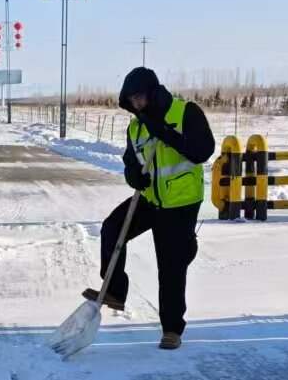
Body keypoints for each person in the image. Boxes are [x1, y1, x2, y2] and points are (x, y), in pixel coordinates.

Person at [86, 67, 215, 349]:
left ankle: (172, 329)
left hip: (180, 203)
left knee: (170, 266)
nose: (137, 104)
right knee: (112, 228)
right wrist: (133, 175)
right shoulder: (136, 126)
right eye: (132, 100)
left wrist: (165, 133)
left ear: (154, 93)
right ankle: (115, 291)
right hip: (150, 199)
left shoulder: (185, 113)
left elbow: (203, 151)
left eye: (141, 97)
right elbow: (130, 160)